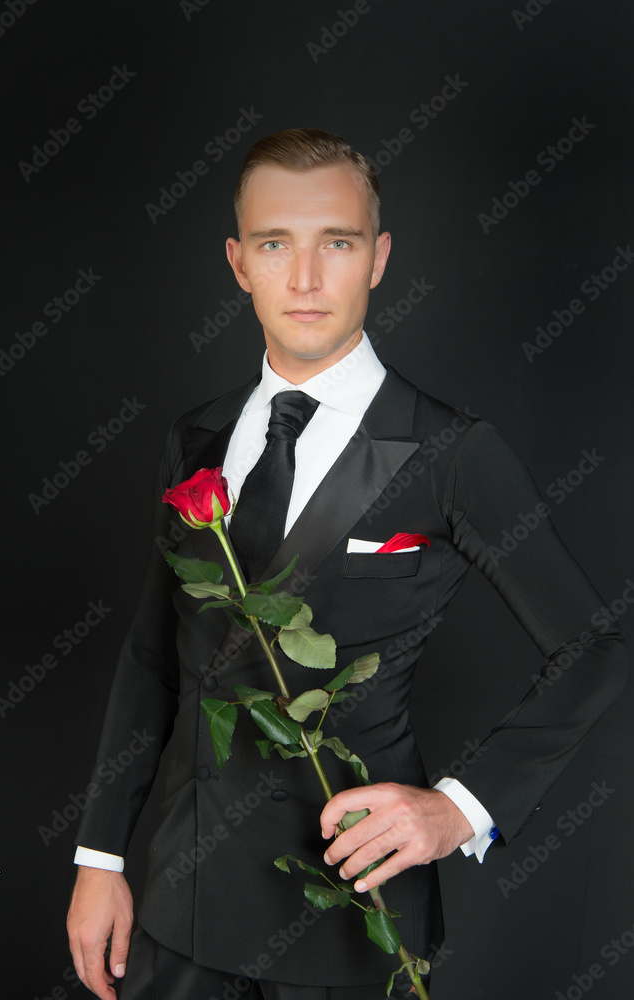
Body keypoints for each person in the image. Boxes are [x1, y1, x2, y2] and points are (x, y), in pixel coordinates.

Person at [67, 128, 627, 1000]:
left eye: (336, 242)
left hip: (353, 925)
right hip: (181, 908)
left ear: (378, 257)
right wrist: (98, 856)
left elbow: (595, 645)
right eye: (274, 244)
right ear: (237, 262)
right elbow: (152, 658)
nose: (304, 278)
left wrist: (456, 809)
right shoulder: (195, 438)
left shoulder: (449, 451)